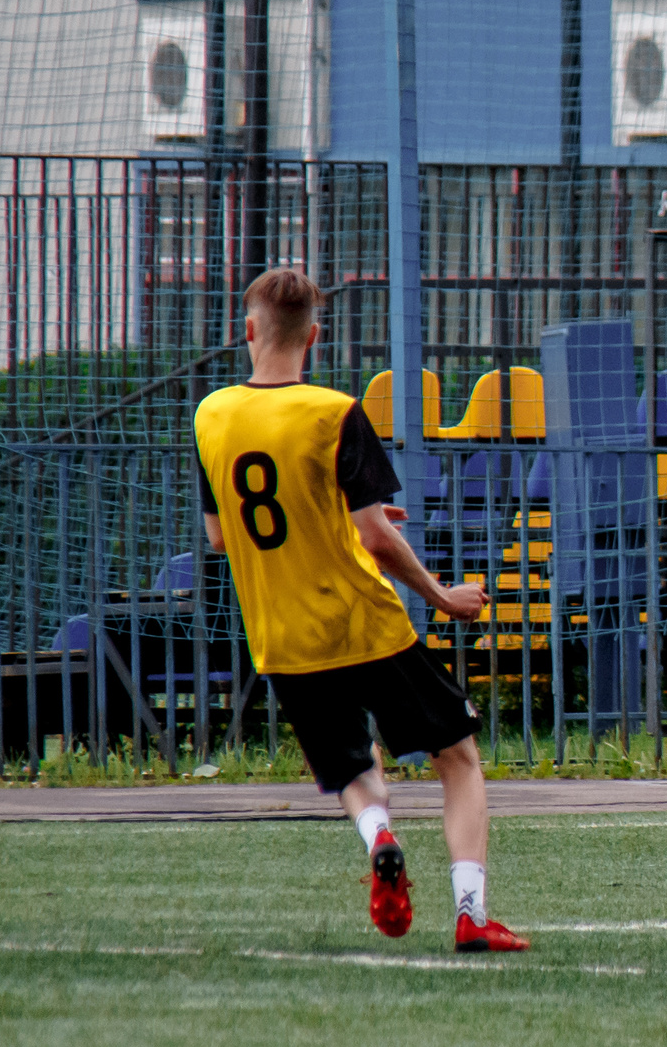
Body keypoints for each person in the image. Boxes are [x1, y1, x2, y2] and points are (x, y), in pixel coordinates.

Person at [194, 267, 527, 954]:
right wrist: (441, 596)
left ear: (249, 330)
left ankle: (380, 838)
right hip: (363, 623)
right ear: (313, 336)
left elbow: (223, 534)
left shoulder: (212, 414)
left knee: (352, 767)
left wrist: (325, 516)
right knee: (457, 756)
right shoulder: (334, 411)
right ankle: (470, 911)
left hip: (282, 637)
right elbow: (374, 537)